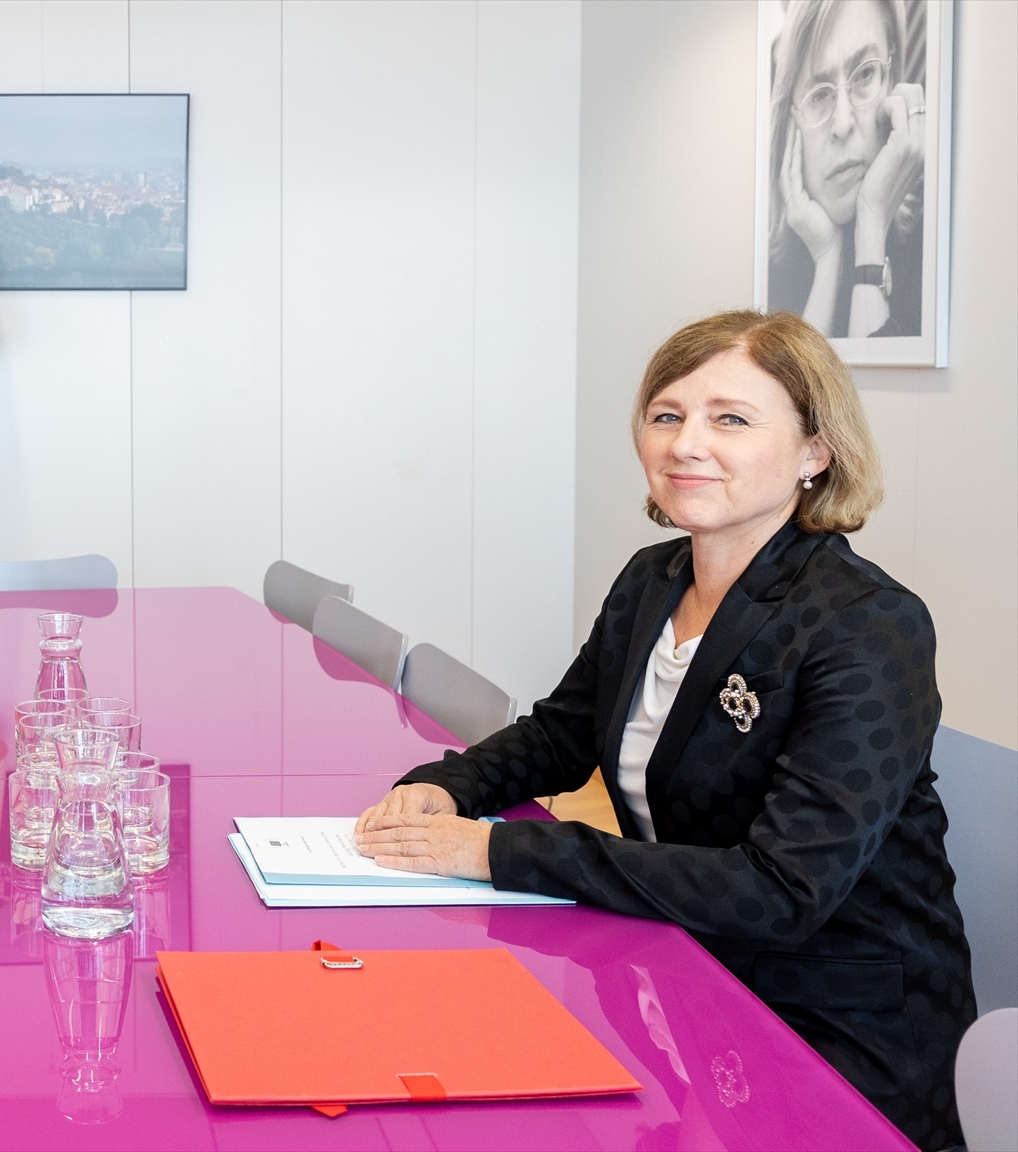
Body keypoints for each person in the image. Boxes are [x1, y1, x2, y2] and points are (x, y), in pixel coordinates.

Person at [352, 311, 974, 1150]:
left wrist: (495, 852)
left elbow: (782, 890)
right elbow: (563, 733)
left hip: (835, 1025)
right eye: (667, 414)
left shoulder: (868, 625)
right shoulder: (655, 577)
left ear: (815, 452)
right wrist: (444, 786)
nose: (687, 444)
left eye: (731, 419)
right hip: (688, 975)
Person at [765, 0, 927, 339]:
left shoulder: (931, 241)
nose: (842, 124)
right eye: (819, 95)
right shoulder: (765, 268)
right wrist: (827, 259)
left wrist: (871, 223)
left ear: (892, 79)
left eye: (865, 73)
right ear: (789, 122)